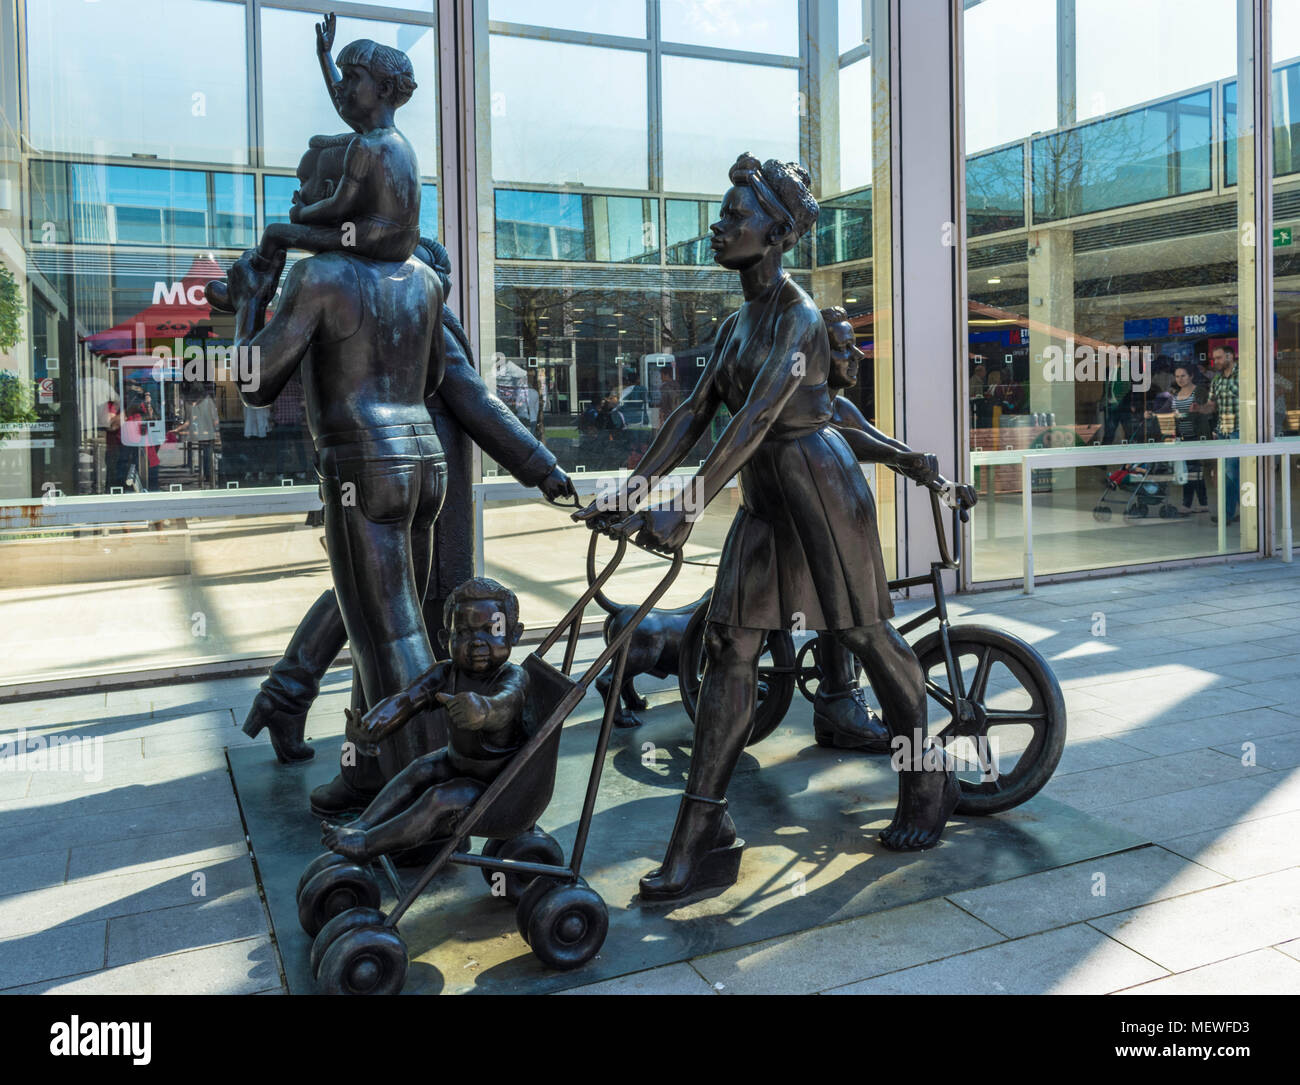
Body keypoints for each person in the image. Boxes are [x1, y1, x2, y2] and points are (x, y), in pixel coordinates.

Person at [576, 154, 959, 902]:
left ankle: (928, 778)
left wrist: (684, 504)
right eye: (722, 216)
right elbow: (693, 414)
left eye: (734, 216)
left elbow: (755, 419)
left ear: (777, 234)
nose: (719, 227)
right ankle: (704, 831)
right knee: (728, 646)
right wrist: (632, 489)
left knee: (865, 635)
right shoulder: (735, 323)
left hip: (818, 487)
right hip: (763, 500)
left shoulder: (800, 317)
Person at [239, 236, 574, 814]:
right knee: (389, 635)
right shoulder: (419, 315)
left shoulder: (397, 308)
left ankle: (343, 746)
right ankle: (382, 772)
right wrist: (541, 467)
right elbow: (473, 399)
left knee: (377, 626)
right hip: (417, 503)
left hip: (402, 493)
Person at [218, 195, 446, 805]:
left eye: (309, 191)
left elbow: (254, 383)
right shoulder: (423, 279)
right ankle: (369, 769)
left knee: (390, 640)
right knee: (392, 624)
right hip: (421, 459)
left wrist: (247, 303)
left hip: (361, 458)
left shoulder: (317, 275)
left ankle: (427, 806)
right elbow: (432, 380)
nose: (300, 206)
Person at [322, 578, 528, 861]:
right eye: (464, 633)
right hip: (458, 764)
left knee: (438, 797)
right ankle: (361, 825)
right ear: (446, 640)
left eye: (492, 631)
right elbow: (408, 699)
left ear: (514, 635)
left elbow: (506, 702)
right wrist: (371, 726)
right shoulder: (446, 673)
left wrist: (483, 709)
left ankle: (367, 844)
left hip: (498, 785)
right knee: (419, 769)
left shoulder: (512, 676)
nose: (478, 642)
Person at [1200, 345, 1240, 524]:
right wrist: (1200, 409)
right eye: (1214, 359)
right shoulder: (1217, 379)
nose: (1215, 362)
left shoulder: (1245, 375)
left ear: (1230, 356)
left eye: (1219, 358)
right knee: (1226, 475)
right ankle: (1248, 512)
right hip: (1223, 431)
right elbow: (1212, 405)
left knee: (1231, 474)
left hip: (1240, 431)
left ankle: (1228, 514)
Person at [1170, 364, 1208, 513]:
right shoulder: (1176, 394)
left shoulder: (1199, 391)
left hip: (1196, 436)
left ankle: (1186, 505)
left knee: (1191, 471)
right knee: (1192, 471)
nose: (1180, 379)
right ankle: (1202, 503)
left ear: (1191, 376)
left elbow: (1206, 411)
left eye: (1183, 376)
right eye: (1177, 376)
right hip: (1182, 438)